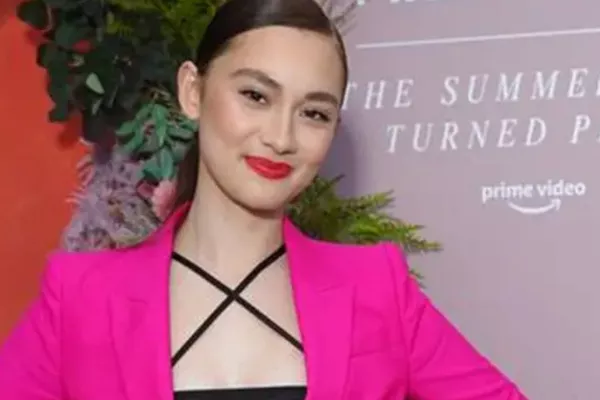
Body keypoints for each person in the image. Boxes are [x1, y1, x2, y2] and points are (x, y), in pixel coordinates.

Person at [0, 0, 528, 398]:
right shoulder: (81, 297)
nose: (281, 137)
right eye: (255, 95)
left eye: (314, 113)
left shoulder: (377, 288)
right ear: (193, 91)